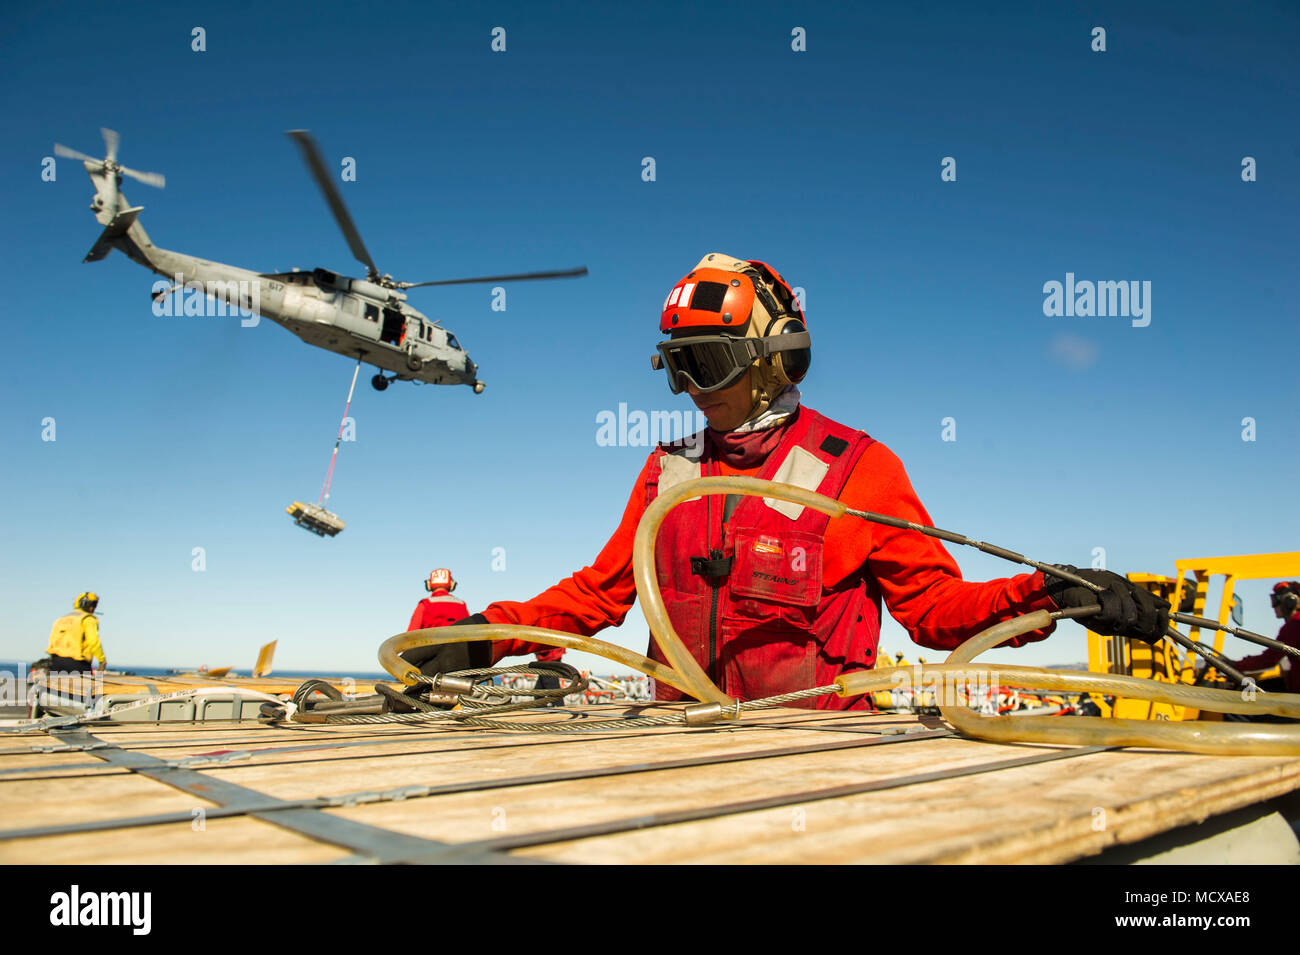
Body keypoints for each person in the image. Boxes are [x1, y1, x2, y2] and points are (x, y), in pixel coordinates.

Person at [419, 253, 1168, 708]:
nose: (690, 391)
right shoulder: (667, 471)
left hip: (813, 762)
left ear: (775, 357)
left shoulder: (857, 470)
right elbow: (600, 593)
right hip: (679, 755)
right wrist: (483, 639)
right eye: (675, 368)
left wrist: (1046, 595)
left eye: (706, 363)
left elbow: (937, 610)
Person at [404, 568, 564, 680]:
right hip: (457, 666)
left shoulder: (425, 604)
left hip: (429, 664)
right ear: (451, 584)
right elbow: (469, 633)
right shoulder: (460, 604)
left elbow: (410, 636)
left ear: (429, 584)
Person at [1232, 581, 1300, 693]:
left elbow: (1270, 659)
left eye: (1275, 601)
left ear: (1290, 601)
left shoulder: (1294, 625)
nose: (1273, 606)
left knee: (1248, 696)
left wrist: (1234, 665)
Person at [46, 592, 107, 674]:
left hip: (56, 662)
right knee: (85, 686)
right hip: (77, 664)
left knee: (58, 686)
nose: (93, 608)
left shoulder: (61, 620)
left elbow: (52, 641)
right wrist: (102, 660)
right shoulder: (88, 619)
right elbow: (93, 641)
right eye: (93, 604)